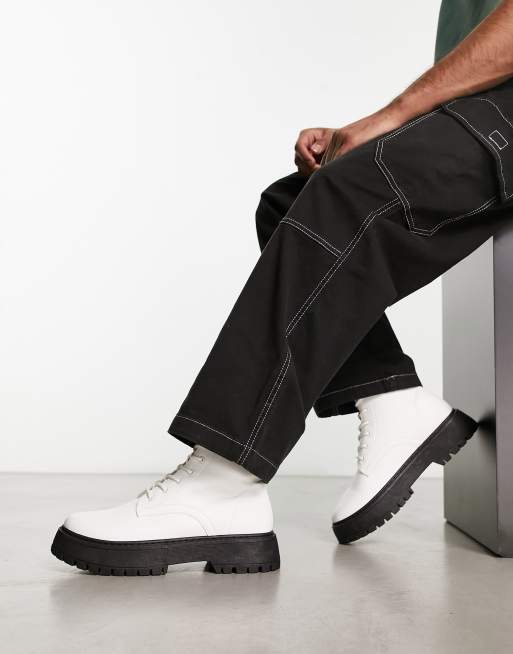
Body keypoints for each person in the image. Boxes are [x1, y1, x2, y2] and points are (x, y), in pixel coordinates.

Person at [52, 0, 512, 575]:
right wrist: (397, 131)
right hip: (482, 109)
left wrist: (393, 117)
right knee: (293, 200)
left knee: (345, 194)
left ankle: (223, 480)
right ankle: (391, 400)